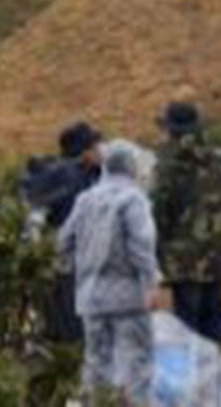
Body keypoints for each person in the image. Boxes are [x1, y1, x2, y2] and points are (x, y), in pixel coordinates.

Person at [152, 100, 221, 348]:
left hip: (182, 266)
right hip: (218, 259)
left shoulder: (165, 168)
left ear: (171, 130)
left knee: (187, 336)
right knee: (214, 331)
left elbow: (157, 214)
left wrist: (159, 255)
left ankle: (193, 386)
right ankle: (215, 383)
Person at [59, 140, 162, 405]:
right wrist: (150, 284)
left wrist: (77, 271)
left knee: (95, 362)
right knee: (137, 361)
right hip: (128, 297)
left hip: (90, 297)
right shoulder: (133, 199)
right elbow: (142, 245)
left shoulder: (84, 199)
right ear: (132, 169)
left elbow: (64, 242)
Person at [21, 119, 105, 344]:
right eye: (95, 146)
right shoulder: (65, 176)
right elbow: (38, 213)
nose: (101, 150)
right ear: (83, 151)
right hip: (68, 257)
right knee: (70, 317)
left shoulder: (93, 173)